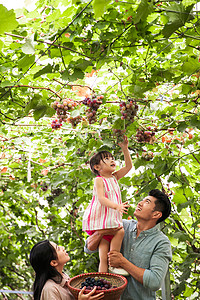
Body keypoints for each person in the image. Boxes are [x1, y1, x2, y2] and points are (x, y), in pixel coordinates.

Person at [84, 189, 172, 300]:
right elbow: (88, 248)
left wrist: (122, 262)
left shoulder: (161, 242)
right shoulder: (121, 225)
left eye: (147, 202)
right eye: (142, 200)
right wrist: (101, 233)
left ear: (156, 214)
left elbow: (155, 281)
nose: (140, 203)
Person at [82, 136, 132, 274]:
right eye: (107, 158)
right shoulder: (99, 180)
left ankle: (111, 265)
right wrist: (117, 206)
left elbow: (128, 166)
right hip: (102, 220)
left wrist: (125, 149)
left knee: (116, 236)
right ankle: (105, 274)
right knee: (105, 252)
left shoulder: (114, 177)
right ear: (97, 167)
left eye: (112, 158)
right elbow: (101, 199)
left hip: (111, 219)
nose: (112, 160)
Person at [30, 240, 104, 300]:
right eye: (58, 248)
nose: (62, 248)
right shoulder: (50, 289)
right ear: (54, 262)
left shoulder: (64, 277)